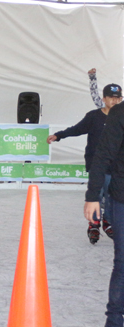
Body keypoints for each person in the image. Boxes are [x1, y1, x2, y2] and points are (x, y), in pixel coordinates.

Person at [47, 82, 122, 244]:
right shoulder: (94, 116)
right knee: (98, 194)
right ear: (103, 99)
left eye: (118, 98)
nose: (115, 101)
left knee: (112, 195)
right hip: (97, 164)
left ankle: (107, 221)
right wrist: (58, 135)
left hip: (116, 167)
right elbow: (77, 129)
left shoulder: (121, 118)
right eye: (111, 98)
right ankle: (94, 223)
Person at [85, 100, 124, 326]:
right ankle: (114, 320)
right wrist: (92, 196)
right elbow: (102, 155)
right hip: (121, 197)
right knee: (122, 262)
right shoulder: (120, 112)